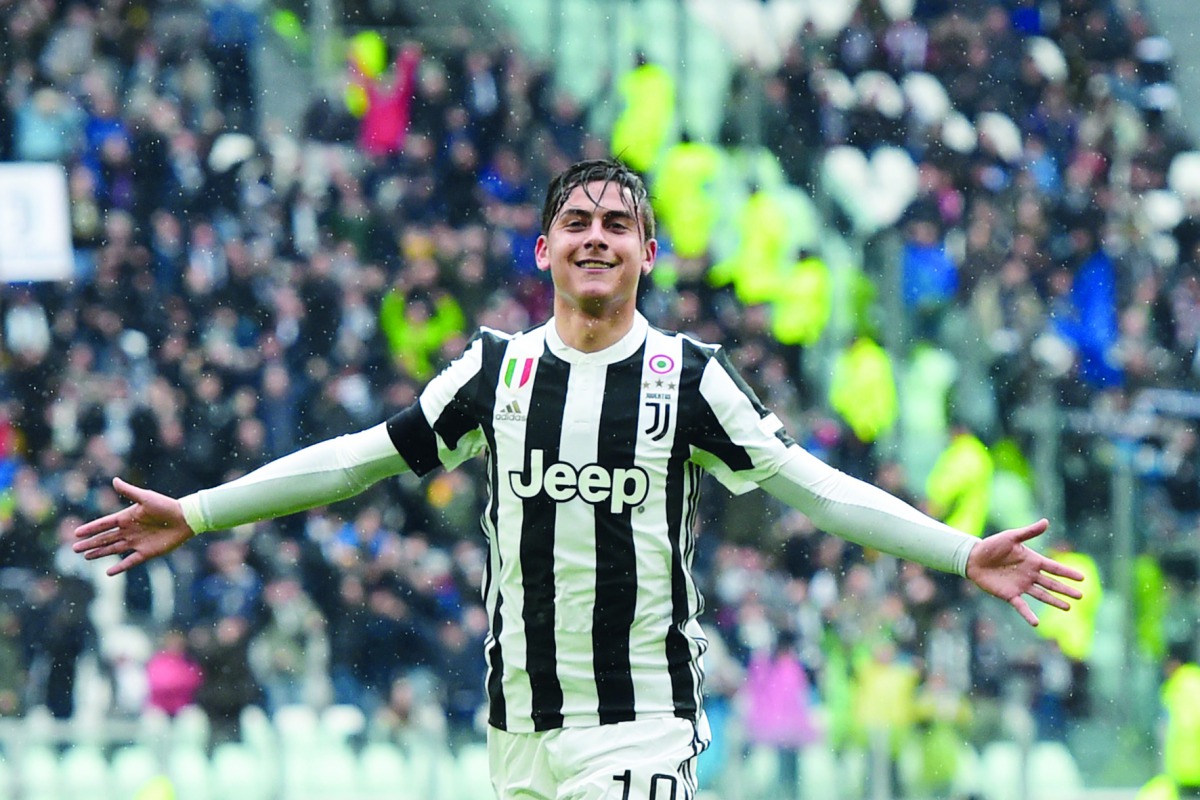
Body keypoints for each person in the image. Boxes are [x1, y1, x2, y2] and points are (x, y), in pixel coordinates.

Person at [75, 158, 1085, 800]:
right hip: (518, 729)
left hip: (640, 720)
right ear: (544, 246)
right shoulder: (495, 370)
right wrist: (200, 513)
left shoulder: (689, 376)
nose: (596, 235)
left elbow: (814, 487)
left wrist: (959, 551)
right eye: (578, 220)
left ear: (648, 250)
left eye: (617, 221)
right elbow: (355, 459)